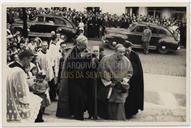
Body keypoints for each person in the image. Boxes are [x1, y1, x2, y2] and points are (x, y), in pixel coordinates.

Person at [56, 34, 88, 120]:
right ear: (79, 44)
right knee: (77, 97)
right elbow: (71, 67)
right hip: (72, 79)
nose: (85, 47)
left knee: (78, 97)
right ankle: (75, 114)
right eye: (84, 45)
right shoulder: (72, 52)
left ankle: (75, 113)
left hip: (78, 78)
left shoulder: (77, 51)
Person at [98, 44, 133, 120]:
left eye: (123, 52)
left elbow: (129, 72)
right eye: (120, 52)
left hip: (120, 86)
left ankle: (119, 119)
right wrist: (109, 81)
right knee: (109, 101)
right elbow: (102, 70)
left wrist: (123, 81)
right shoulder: (106, 59)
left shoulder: (127, 61)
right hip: (109, 84)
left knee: (120, 103)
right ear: (115, 51)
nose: (122, 54)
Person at [7, 50, 41, 122]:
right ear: (25, 59)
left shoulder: (10, 65)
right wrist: (30, 83)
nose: (30, 63)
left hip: (8, 97)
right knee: (38, 101)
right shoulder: (19, 71)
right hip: (15, 101)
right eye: (30, 60)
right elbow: (22, 93)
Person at [124, 42, 144, 119]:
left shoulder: (135, 55)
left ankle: (131, 112)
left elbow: (138, 68)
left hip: (133, 80)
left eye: (129, 48)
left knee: (132, 96)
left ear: (131, 48)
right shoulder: (122, 53)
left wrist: (130, 76)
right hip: (124, 78)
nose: (127, 50)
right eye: (126, 48)